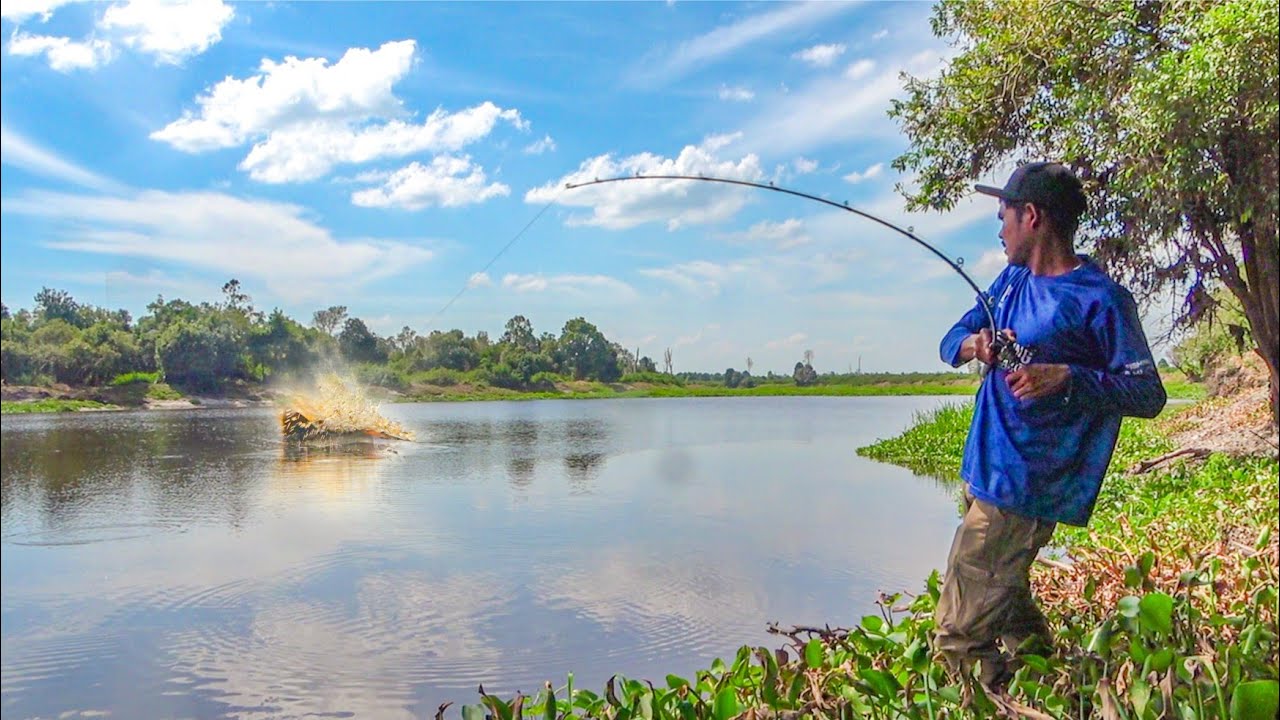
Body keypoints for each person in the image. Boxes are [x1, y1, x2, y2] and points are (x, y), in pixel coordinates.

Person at [933, 161, 1167, 693]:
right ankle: (1053, 686)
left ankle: (992, 701)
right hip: (983, 472)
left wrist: (1068, 377)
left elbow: (1149, 394)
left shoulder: (1102, 299)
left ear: (1031, 216)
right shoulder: (1011, 280)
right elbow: (951, 339)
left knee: (958, 634)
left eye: (1004, 217)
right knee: (1007, 597)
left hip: (1023, 490)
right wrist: (978, 345)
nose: (999, 230)